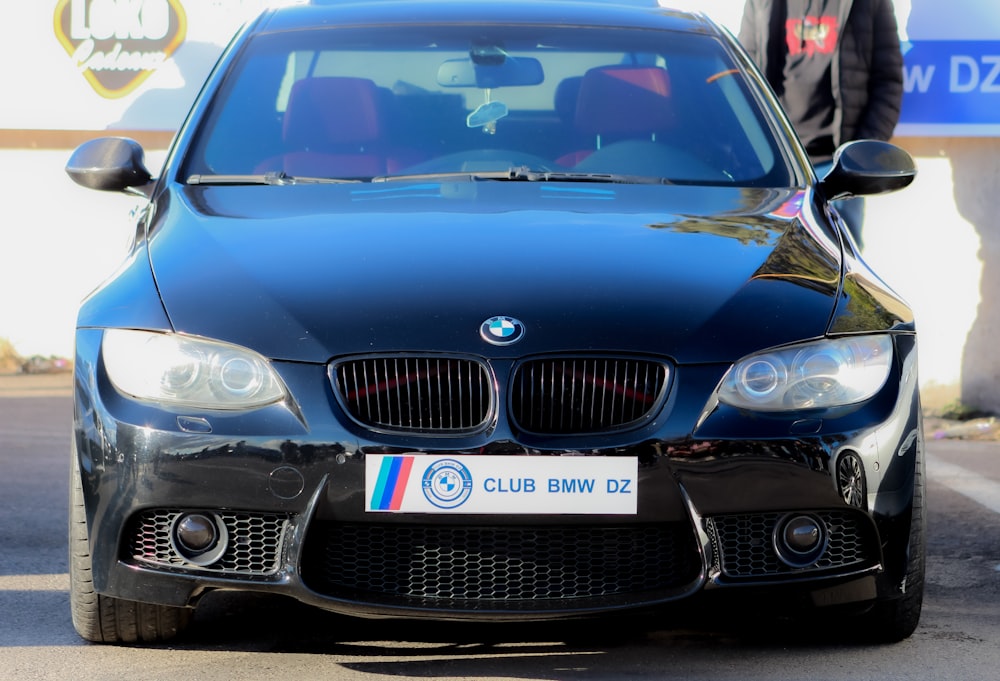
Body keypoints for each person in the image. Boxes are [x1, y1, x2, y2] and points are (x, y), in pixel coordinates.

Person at [738, 0, 904, 250]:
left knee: (842, 268)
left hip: (841, 171)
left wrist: (859, 158)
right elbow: (742, 80)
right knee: (769, 264)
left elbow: (888, 83)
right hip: (777, 167)